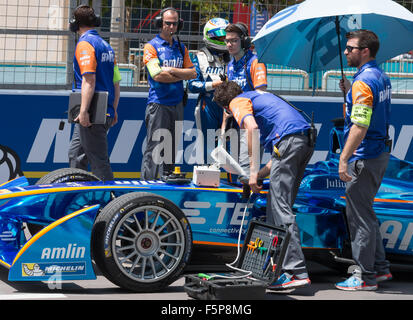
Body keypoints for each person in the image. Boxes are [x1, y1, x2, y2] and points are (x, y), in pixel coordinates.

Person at [213, 81, 315, 290]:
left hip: (290, 141)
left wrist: (251, 171)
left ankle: (296, 272)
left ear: (226, 108)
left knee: (279, 209)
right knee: (280, 205)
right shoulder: (257, 96)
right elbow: (279, 156)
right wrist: (258, 175)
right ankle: (282, 268)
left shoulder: (237, 102)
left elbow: (252, 128)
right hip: (305, 139)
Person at [335, 30, 392, 291]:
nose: (346, 52)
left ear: (365, 51)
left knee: (359, 218)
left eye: (350, 48)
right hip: (378, 153)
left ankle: (365, 276)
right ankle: (379, 270)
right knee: (366, 213)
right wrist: (349, 92)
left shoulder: (363, 82)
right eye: (346, 48)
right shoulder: (379, 76)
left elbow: (360, 124)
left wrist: (344, 158)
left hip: (364, 156)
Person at [141, 7, 196, 180]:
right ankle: (147, 183)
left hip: (177, 103)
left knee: (171, 147)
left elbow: (193, 73)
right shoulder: (151, 47)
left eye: (174, 23)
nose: (171, 27)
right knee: (154, 147)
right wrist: (181, 74)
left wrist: (172, 70)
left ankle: (166, 180)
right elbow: (157, 75)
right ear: (160, 23)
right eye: (167, 23)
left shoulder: (181, 47)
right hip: (158, 103)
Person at [68, 5, 121, 181]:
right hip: (103, 109)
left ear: (75, 24)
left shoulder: (85, 44)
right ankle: (76, 195)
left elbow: (88, 80)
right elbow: (116, 82)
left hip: (91, 112)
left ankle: (111, 204)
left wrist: (83, 111)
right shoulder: (107, 46)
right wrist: (113, 110)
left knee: (98, 161)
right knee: (76, 154)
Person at [222, 23, 268, 183]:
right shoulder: (229, 66)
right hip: (235, 123)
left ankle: (248, 205)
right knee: (235, 174)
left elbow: (261, 94)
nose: (229, 44)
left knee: (246, 173)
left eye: (234, 41)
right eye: (227, 41)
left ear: (244, 41)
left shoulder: (256, 62)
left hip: (252, 123)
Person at [188, 18, 230, 164]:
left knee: (231, 146)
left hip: (230, 106)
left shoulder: (234, 56)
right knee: (207, 146)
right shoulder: (199, 57)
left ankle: (234, 182)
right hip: (208, 105)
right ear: (210, 36)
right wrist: (213, 85)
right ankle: (207, 179)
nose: (225, 39)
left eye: (226, 35)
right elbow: (192, 85)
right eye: (220, 36)